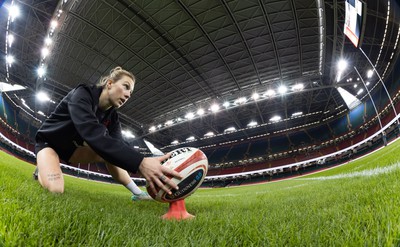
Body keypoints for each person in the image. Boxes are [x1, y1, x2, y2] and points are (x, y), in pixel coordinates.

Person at [34, 66, 181, 201]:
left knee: (111, 152)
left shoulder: (113, 116)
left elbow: (119, 145)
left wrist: (145, 161)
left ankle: (137, 193)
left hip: (72, 150)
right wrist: (140, 163)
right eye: (126, 87)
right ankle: (41, 168)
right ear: (109, 83)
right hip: (50, 143)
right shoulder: (82, 94)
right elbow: (91, 133)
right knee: (56, 190)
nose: (128, 94)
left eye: (131, 92)